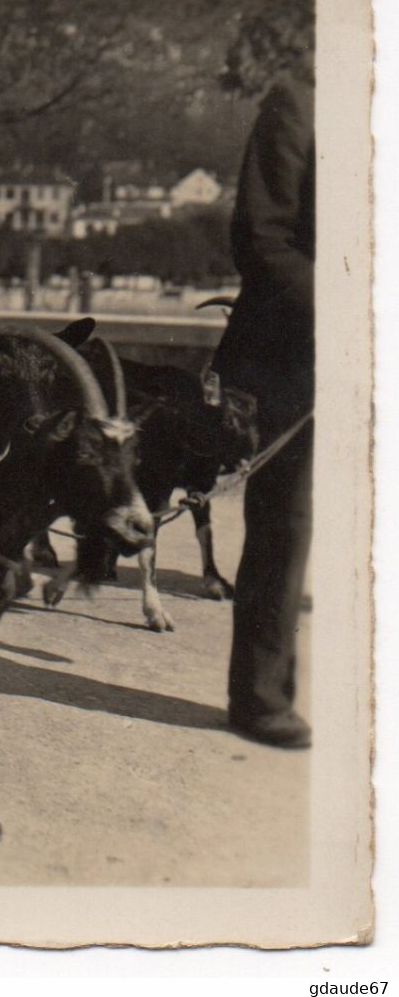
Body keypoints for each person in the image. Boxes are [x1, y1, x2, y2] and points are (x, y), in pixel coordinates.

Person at [212, 77, 314, 749]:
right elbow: (260, 237)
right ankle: (259, 697)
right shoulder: (298, 101)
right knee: (285, 526)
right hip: (294, 351)